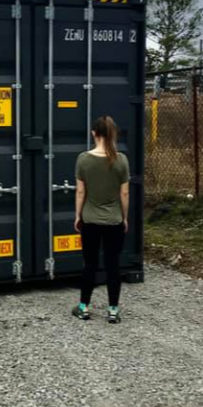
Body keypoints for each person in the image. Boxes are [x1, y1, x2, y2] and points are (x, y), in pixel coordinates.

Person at [72, 115, 130, 324]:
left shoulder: (83, 159)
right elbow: (124, 194)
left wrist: (78, 215)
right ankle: (113, 310)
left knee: (90, 264)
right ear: (113, 134)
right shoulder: (121, 160)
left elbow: (80, 192)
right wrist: (124, 217)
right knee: (113, 265)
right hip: (113, 220)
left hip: (90, 220)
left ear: (94, 133)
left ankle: (83, 307)